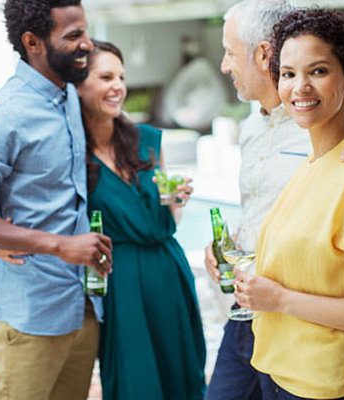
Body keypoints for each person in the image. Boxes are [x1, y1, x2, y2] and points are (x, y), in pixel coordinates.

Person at [204, 1, 344, 399]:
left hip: (321, 374)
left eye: (318, 71)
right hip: (274, 350)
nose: (299, 87)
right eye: (288, 74)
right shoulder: (307, 153)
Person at [0, 1, 113, 399]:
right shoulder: (3, 116)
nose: (87, 44)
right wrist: (57, 244)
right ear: (32, 42)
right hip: (27, 318)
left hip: (82, 308)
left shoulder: (69, 96)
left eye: (85, 31)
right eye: (73, 36)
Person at [79, 40, 205, 400]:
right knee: (136, 382)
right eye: (105, 76)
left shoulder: (147, 140)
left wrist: (175, 200)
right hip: (120, 283)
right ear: (78, 84)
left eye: (121, 76)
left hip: (169, 270)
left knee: (182, 372)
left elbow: (166, 220)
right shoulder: (70, 153)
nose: (118, 85)